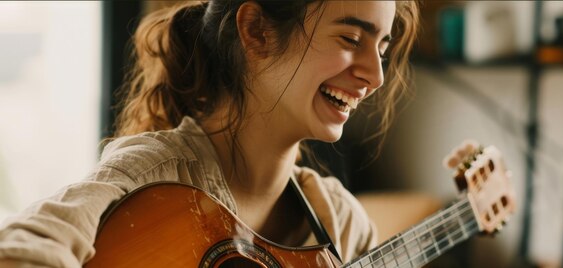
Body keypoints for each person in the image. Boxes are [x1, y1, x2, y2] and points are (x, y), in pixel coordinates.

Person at [0, 0, 419, 266]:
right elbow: (19, 251)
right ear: (257, 30)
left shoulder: (342, 224)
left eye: (381, 49)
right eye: (350, 38)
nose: (376, 76)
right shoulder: (154, 174)